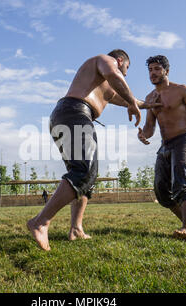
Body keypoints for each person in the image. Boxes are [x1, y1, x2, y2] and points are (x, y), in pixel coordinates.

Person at [27, 49, 161, 251]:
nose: (126, 73)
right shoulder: (105, 61)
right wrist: (132, 100)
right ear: (120, 60)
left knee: (86, 177)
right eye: (127, 68)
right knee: (84, 171)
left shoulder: (107, 86)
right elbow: (116, 77)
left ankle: (76, 228)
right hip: (74, 113)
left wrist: (151, 104)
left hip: (72, 116)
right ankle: (40, 221)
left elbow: (128, 100)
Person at [137, 55, 186, 241]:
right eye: (150, 70)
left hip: (184, 141)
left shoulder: (181, 90)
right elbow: (150, 127)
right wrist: (143, 135)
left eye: (156, 69)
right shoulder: (150, 97)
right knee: (161, 191)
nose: (152, 73)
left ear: (166, 71)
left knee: (182, 179)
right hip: (165, 146)